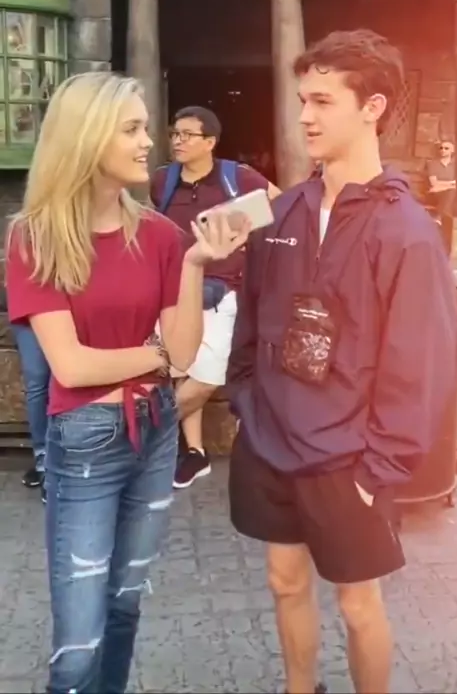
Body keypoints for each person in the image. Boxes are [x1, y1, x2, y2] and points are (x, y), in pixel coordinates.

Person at [227, 29, 457, 694]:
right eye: (303, 99)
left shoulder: (406, 231)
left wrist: (379, 467)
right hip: (270, 442)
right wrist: (247, 402)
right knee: (283, 581)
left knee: (359, 605)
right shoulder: (280, 213)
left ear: (372, 108)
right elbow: (252, 319)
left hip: (350, 459)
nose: (304, 116)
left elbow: (421, 364)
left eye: (323, 101)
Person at [5, 72, 250, 694]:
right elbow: (71, 367)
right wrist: (154, 355)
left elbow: (184, 353)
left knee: (124, 606)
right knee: (78, 643)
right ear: (87, 137)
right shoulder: (35, 236)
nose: (150, 142)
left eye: (148, 129)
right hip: (84, 441)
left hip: (156, 431)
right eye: (133, 129)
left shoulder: (163, 236)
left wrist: (195, 265)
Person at [151, 105, 280, 489]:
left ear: (210, 142)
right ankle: (194, 453)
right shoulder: (162, 181)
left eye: (187, 135)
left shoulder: (237, 177)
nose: (178, 141)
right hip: (175, 289)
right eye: (174, 134)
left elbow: (281, 203)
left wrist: (247, 232)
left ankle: (142, 434)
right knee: (178, 371)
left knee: (208, 377)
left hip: (224, 292)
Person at [11, 323, 49, 501]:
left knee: (67, 379)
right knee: (38, 380)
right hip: (30, 314)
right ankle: (44, 463)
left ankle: (64, 460)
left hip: (76, 308)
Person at [426, 138, 456, 253]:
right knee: (450, 192)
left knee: (450, 193)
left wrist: (443, 185)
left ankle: (440, 216)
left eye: (446, 148)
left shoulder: (455, 165)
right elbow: (434, 183)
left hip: (449, 195)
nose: (443, 150)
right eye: (441, 148)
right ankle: (442, 215)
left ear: (452, 151)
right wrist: (451, 184)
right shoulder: (433, 164)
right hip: (435, 194)